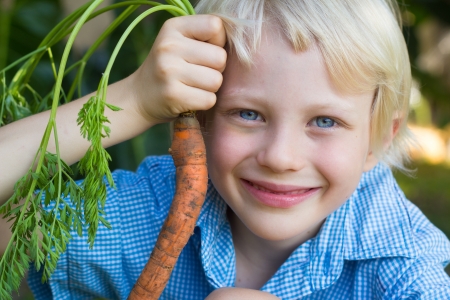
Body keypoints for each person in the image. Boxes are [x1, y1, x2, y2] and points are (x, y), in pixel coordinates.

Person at [1, 0, 449, 299]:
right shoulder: (153, 211)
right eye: (248, 114)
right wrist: (131, 102)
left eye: (325, 121)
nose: (280, 157)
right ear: (204, 118)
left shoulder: (404, 267)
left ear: (379, 138)